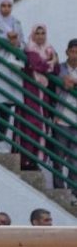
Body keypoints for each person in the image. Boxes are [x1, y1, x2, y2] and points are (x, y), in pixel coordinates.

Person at [0, 0, 25, 152]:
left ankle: (2, 139)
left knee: (7, 104)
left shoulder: (17, 23)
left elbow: (22, 44)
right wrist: (5, 39)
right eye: (3, 5)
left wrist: (16, 42)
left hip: (10, 67)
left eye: (9, 5)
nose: (6, 9)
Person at [19, 24, 59, 171]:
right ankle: (26, 159)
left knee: (42, 125)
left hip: (44, 94)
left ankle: (35, 159)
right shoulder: (30, 49)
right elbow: (38, 65)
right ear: (33, 35)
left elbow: (56, 70)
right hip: (31, 90)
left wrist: (50, 63)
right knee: (32, 124)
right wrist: (51, 63)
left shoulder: (49, 49)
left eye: (43, 33)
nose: (40, 36)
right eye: (38, 33)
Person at [53, 39, 77, 191]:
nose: (75, 55)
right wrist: (66, 81)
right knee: (59, 157)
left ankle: (73, 191)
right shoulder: (59, 68)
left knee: (75, 160)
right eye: (72, 51)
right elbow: (61, 81)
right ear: (67, 52)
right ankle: (59, 189)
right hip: (61, 119)